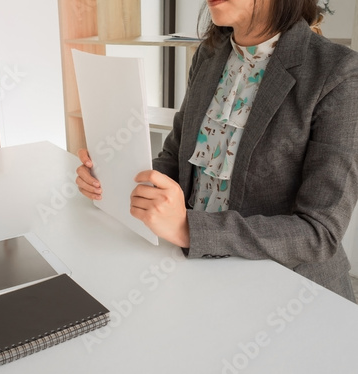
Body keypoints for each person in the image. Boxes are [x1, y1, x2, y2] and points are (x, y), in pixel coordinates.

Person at [76, 0, 358, 302]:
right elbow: (176, 157)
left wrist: (190, 228)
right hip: (198, 273)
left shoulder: (338, 73)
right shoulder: (209, 55)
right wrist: (114, 173)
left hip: (290, 294)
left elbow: (319, 234)